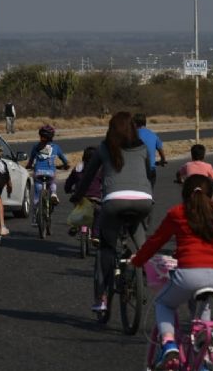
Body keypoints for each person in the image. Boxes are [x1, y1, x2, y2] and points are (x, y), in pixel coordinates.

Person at [130, 174, 213, 369]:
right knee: (203, 307)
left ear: (184, 195)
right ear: (212, 196)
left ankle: (169, 343)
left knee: (164, 303)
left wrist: (138, 260)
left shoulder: (177, 213)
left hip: (189, 275)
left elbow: (155, 242)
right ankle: (203, 358)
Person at [70, 111, 153, 312]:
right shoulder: (143, 148)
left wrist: (77, 196)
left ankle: (101, 298)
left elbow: (88, 176)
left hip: (114, 203)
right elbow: (149, 175)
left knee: (106, 249)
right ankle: (146, 272)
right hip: (143, 201)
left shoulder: (103, 149)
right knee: (140, 238)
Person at [25, 124, 70, 226]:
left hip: (38, 173)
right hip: (50, 173)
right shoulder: (56, 147)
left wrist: (28, 166)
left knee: (37, 194)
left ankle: (35, 218)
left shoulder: (35, 147)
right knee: (52, 182)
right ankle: (53, 193)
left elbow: (30, 162)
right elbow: (65, 161)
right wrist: (65, 166)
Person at [64, 146, 102, 239]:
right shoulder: (101, 169)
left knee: (77, 208)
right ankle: (95, 236)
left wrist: (67, 189)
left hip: (80, 197)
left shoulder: (78, 168)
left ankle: (75, 225)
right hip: (95, 198)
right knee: (98, 214)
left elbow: (69, 181)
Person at [134, 113, 166, 189]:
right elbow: (162, 153)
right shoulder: (154, 135)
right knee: (150, 191)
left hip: (136, 170)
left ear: (134, 123)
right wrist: (162, 161)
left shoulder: (132, 135)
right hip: (151, 169)